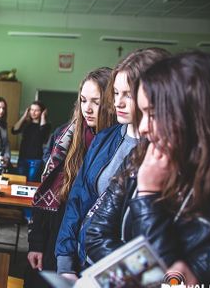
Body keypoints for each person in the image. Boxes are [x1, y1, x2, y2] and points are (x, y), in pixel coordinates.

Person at [85, 51, 210, 285]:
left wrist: (148, 195)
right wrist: (141, 272)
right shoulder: (141, 156)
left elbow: (170, 282)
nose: (142, 128)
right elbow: (95, 235)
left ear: (193, 117)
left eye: (153, 115)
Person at [55, 48, 170, 280]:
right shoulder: (104, 138)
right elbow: (78, 200)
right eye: (115, 93)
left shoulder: (160, 151)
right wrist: (65, 263)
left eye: (127, 94)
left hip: (125, 274)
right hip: (84, 262)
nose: (118, 102)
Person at [24, 67, 113, 287]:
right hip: (55, 231)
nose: (88, 109)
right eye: (83, 100)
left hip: (93, 240)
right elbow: (46, 190)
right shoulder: (64, 135)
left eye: (96, 101)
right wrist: (36, 242)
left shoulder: (117, 142)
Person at [12, 101, 51, 182]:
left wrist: (43, 116)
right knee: (20, 182)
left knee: (31, 182)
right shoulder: (26, 123)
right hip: (22, 158)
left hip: (36, 160)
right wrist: (24, 116)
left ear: (42, 111)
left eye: (36, 110)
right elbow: (14, 130)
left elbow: (42, 134)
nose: (33, 112)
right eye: (31, 110)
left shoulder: (46, 125)